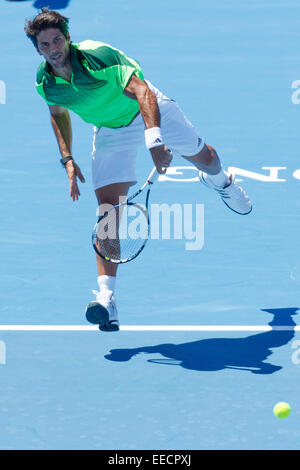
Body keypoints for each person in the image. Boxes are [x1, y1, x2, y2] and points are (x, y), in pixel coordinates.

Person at [25, 8, 252, 332]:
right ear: (38, 50)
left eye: (57, 40)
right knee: (108, 214)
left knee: (206, 158)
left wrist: (155, 140)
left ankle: (221, 182)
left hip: (149, 110)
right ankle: (107, 300)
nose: (53, 49)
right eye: (44, 45)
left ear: (68, 38)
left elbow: (143, 91)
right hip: (110, 129)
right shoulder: (45, 82)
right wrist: (67, 158)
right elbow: (58, 114)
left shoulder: (98, 57)